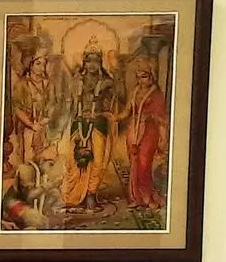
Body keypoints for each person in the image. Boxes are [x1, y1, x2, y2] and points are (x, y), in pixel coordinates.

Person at [61, 41, 117, 213]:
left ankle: (91, 194)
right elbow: (69, 104)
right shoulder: (76, 80)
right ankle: (74, 196)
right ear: (84, 62)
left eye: (96, 61)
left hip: (98, 122)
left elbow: (117, 98)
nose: (92, 64)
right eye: (89, 61)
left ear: (100, 63)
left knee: (98, 161)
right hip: (78, 122)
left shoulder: (107, 81)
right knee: (74, 160)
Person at [124, 63, 168, 210]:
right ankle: (137, 198)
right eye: (139, 77)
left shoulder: (156, 94)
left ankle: (148, 196)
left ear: (151, 77)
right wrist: (112, 117)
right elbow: (126, 112)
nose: (142, 80)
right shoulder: (135, 92)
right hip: (134, 130)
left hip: (149, 131)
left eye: (144, 76)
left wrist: (149, 116)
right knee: (134, 162)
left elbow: (162, 117)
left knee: (144, 163)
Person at [8, 55, 52, 166]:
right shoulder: (22, 85)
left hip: (44, 127)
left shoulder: (48, 84)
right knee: (28, 160)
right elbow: (17, 108)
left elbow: (53, 104)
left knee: (43, 159)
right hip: (27, 127)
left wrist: (46, 119)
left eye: (44, 64)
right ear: (30, 65)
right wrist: (31, 125)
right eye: (38, 63)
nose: (41, 67)